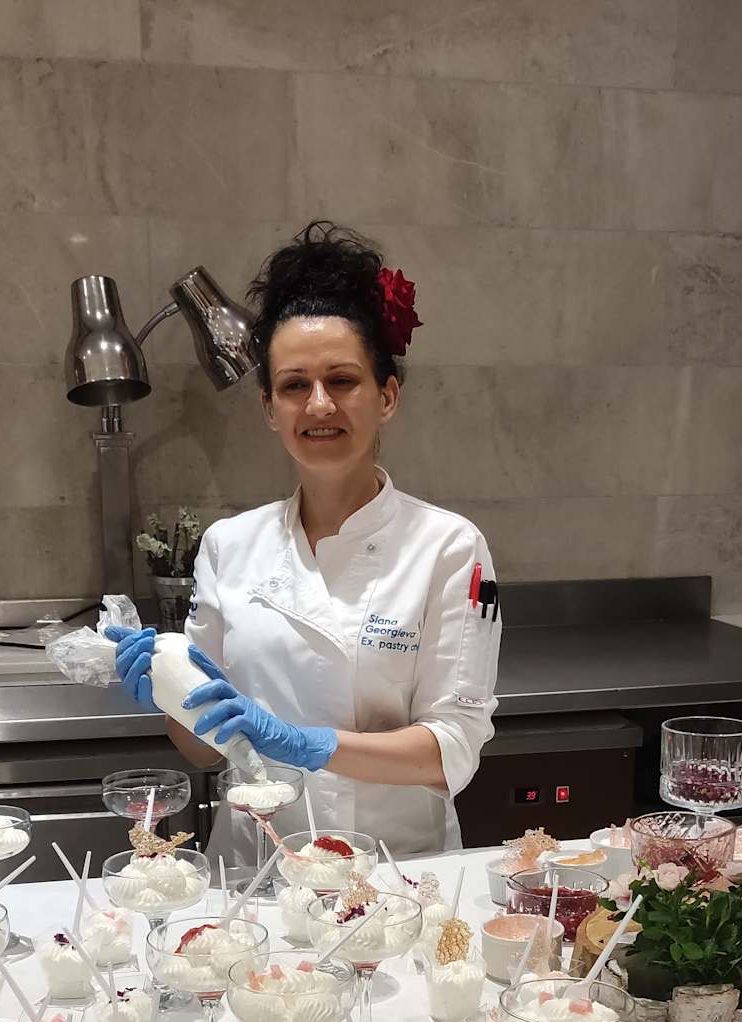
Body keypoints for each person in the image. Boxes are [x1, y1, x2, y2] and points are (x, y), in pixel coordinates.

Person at [108, 222, 500, 857]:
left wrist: (307, 744)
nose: (319, 405)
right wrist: (167, 693)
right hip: (256, 874)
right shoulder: (228, 545)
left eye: (342, 380)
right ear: (270, 408)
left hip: (394, 873)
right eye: (294, 385)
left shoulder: (449, 548)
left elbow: (451, 749)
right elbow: (206, 750)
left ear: (387, 396)